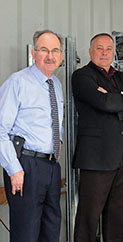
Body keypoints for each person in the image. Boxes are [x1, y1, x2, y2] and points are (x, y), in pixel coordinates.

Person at [72, 33, 123, 242]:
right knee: (90, 214)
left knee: (116, 212)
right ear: (90, 51)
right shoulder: (82, 76)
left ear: (114, 52)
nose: (104, 53)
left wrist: (118, 100)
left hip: (121, 155)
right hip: (96, 157)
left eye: (108, 48)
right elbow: (103, 103)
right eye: (99, 48)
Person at [0, 30, 64, 242]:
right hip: (25, 166)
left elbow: (54, 121)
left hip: (51, 165)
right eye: (44, 50)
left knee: (51, 229)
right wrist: (14, 169)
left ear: (61, 56)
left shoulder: (56, 85)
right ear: (34, 53)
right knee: (26, 233)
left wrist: (59, 141)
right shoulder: (17, 82)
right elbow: (1, 129)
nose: (50, 56)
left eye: (55, 51)